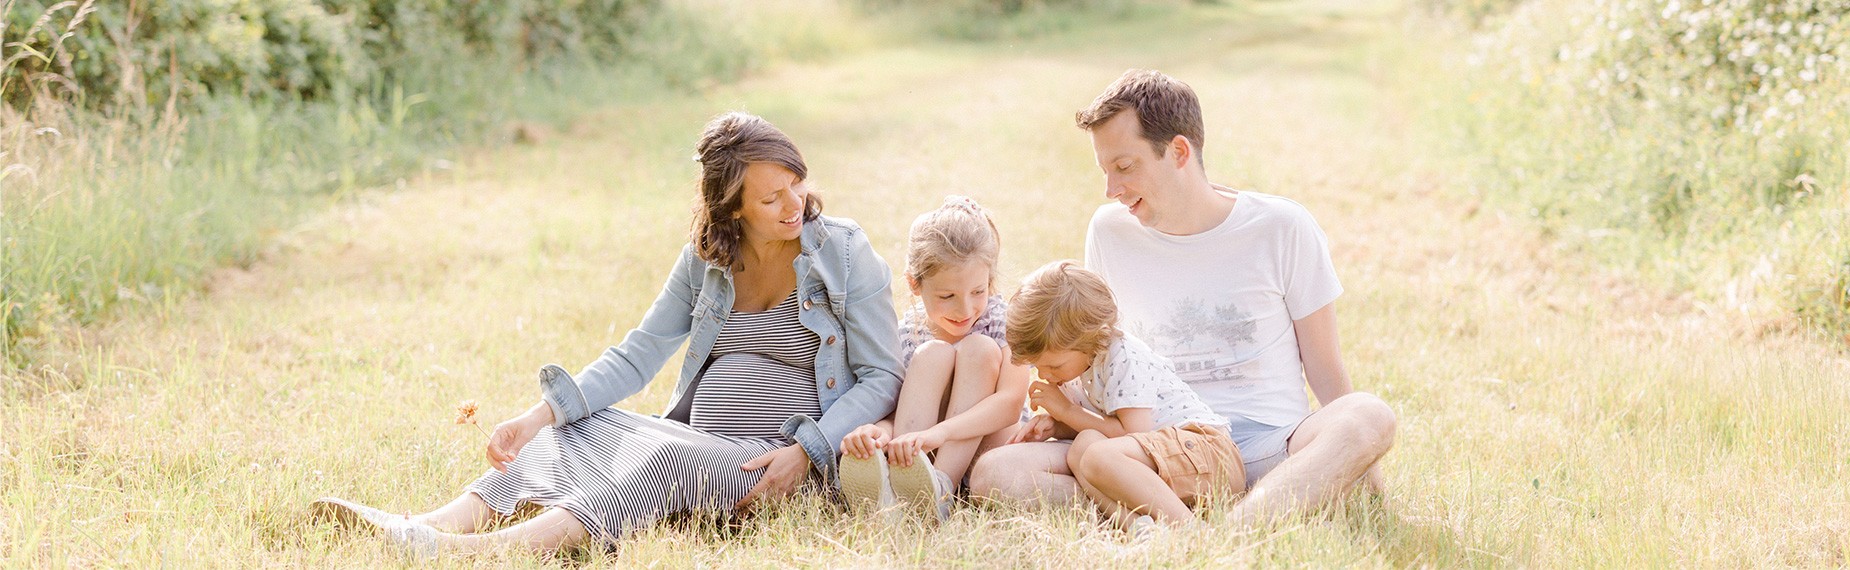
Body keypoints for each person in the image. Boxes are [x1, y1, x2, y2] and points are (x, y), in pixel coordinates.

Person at [311, 112, 904, 557]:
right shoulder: (708, 257)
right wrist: (540, 414)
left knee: (660, 458)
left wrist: (808, 451)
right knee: (575, 425)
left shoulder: (845, 254)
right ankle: (427, 523)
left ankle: (470, 554)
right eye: (771, 198)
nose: (794, 204)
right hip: (700, 444)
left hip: (780, 466)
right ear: (731, 211)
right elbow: (640, 351)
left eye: (797, 184)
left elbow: (883, 376)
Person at [970, 69, 1397, 525]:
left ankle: (1236, 526)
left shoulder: (1282, 227)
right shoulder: (1110, 230)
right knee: (997, 474)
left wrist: (1368, 478)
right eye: (1105, 170)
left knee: (1368, 415)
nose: (1111, 190)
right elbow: (1102, 352)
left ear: (1178, 151)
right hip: (1151, 451)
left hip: (1274, 448)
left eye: (1125, 167)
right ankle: (1220, 515)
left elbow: (1326, 371)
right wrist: (1065, 417)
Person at [1003, 261, 1244, 532]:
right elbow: (1107, 433)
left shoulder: (1123, 355)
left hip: (1207, 454)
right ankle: (1141, 528)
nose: (1045, 375)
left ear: (1091, 340)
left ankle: (1190, 531)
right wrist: (1058, 426)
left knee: (1096, 455)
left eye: (1054, 366)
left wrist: (1068, 412)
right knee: (1083, 448)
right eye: (1038, 367)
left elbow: (1135, 434)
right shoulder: (1079, 368)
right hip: (1168, 464)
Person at [837, 196, 1026, 521]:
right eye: (947, 296)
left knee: (979, 348)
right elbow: (904, 411)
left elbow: (1010, 403)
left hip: (992, 447)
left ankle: (940, 488)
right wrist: (880, 430)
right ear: (914, 284)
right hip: (929, 450)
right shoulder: (909, 333)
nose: (965, 310)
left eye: (978, 292)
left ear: (989, 281)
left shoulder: (1001, 319)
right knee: (932, 355)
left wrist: (942, 433)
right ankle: (902, 481)